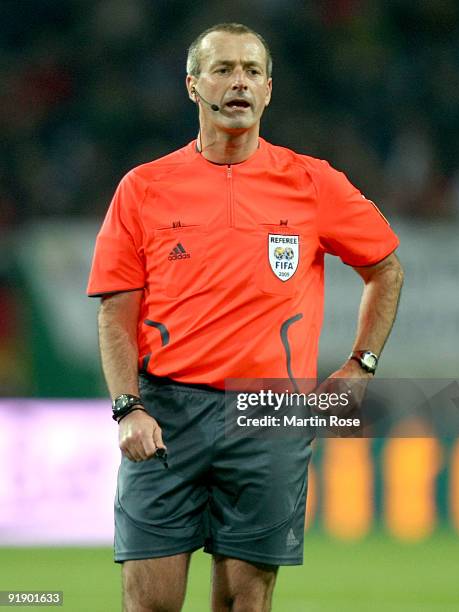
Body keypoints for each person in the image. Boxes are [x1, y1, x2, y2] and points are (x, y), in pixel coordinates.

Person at [87, 22, 404, 612]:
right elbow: (116, 310)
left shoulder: (313, 182)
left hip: (270, 413)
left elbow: (386, 270)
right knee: (147, 604)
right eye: (224, 69)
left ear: (268, 91)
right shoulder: (144, 187)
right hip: (167, 414)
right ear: (192, 85)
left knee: (245, 605)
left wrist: (360, 366)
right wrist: (127, 406)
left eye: (252, 71)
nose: (240, 83)